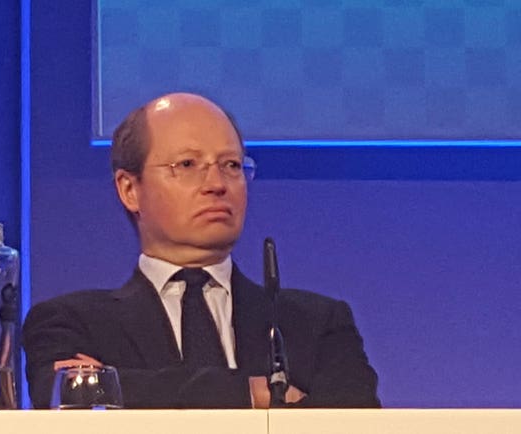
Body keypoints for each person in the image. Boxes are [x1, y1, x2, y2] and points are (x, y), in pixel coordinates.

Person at [23, 92, 380, 409]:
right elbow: (68, 398)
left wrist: (120, 386)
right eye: (188, 165)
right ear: (129, 189)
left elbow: (357, 421)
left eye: (232, 166)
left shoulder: (314, 324)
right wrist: (247, 392)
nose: (216, 185)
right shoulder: (72, 323)